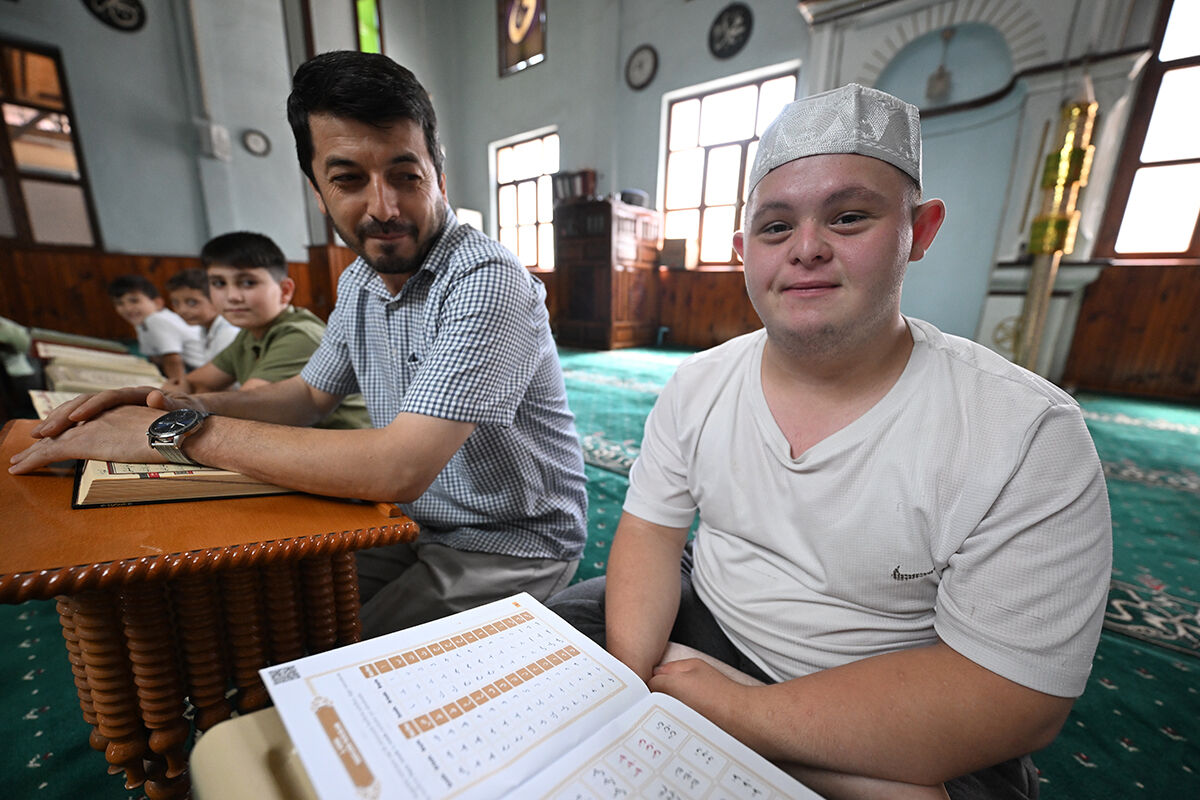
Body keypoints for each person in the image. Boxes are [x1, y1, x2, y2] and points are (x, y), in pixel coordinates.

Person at [547, 84, 1112, 800]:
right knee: (562, 639)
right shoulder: (699, 385)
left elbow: (1011, 698)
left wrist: (736, 713)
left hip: (894, 683)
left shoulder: (1025, 433)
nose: (807, 249)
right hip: (714, 618)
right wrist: (630, 685)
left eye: (849, 218)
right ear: (743, 250)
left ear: (921, 230)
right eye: (775, 228)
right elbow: (652, 538)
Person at [12, 50, 587, 638]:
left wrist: (171, 436)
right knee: (262, 610)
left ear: (439, 178)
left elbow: (400, 467)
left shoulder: (485, 278)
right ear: (317, 191)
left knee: (340, 665)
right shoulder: (361, 279)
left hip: (511, 542)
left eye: (405, 175)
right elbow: (308, 395)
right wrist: (178, 405)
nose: (383, 207)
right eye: (349, 180)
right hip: (411, 523)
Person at [161, 232, 370, 430]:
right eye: (218, 283)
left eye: (248, 282)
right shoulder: (249, 333)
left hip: (346, 447)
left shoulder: (298, 336)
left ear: (285, 291)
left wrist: (187, 399)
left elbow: (245, 410)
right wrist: (186, 396)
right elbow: (193, 383)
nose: (232, 296)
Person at [108, 274, 205, 383]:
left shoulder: (156, 320)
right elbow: (154, 358)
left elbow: (173, 359)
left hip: (206, 370)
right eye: (119, 303)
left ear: (157, 303)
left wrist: (178, 388)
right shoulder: (142, 323)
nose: (128, 308)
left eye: (134, 301)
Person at [166, 267, 239, 364]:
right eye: (175, 303)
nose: (182, 310)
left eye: (192, 302)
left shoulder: (228, 332)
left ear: (216, 300)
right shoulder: (204, 327)